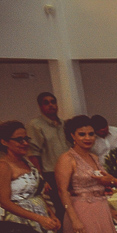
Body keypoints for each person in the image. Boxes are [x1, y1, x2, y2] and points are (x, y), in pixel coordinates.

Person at [55, 115, 117, 233]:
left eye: (91, 134)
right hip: (82, 210)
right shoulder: (67, 159)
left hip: (102, 209)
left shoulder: (94, 157)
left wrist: (111, 210)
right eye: (82, 134)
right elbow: (62, 191)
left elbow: (99, 186)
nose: (88, 138)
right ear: (72, 136)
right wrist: (75, 220)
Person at [0, 119, 60, 233]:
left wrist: (51, 215)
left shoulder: (27, 161)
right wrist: (39, 218)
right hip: (20, 221)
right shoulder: (3, 166)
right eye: (19, 140)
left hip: (41, 216)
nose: (25, 143)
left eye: (26, 139)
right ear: (4, 142)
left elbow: (36, 194)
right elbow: (4, 202)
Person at [26, 91, 66, 224]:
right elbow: (33, 153)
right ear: (40, 106)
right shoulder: (35, 125)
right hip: (51, 173)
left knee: (72, 205)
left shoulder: (63, 124)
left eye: (53, 102)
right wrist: (41, 178)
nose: (51, 105)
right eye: (46, 103)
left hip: (68, 171)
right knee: (61, 208)